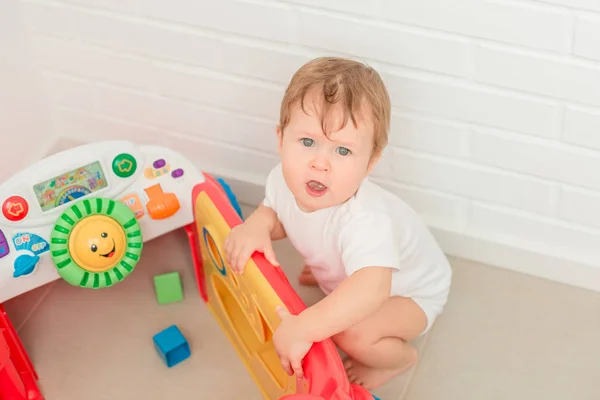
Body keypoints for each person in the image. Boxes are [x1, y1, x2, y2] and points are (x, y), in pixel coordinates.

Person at [223, 56, 452, 390]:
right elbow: (277, 212)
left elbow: (372, 291)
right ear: (281, 138)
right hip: (363, 277)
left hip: (411, 293)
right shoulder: (283, 180)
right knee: (342, 295)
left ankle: (400, 360)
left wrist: (305, 327)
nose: (320, 163)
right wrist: (259, 223)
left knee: (350, 333)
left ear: (370, 161)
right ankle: (335, 272)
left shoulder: (365, 220)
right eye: (307, 142)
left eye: (342, 151)